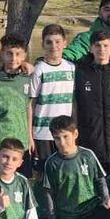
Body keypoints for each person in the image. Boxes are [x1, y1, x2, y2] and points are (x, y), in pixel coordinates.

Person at [72, 29, 110, 172]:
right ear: (91, 48)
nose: (101, 49)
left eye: (105, 45)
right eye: (97, 45)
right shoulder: (80, 73)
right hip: (90, 141)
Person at [0, 34, 34, 170]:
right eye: (9, 54)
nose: (13, 58)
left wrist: (30, 136)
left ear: (24, 55)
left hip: (21, 139)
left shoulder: (27, 77)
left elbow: (28, 107)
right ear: (2, 54)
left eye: (18, 54)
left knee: (20, 178)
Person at [30, 24, 76, 165]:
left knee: (65, 169)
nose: (53, 46)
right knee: (44, 171)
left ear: (64, 43)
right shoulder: (38, 70)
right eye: (49, 42)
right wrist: (30, 135)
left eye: (57, 42)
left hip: (65, 133)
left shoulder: (71, 68)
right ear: (43, 44)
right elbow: (30, 104)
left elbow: (74, 102)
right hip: (42, 133)